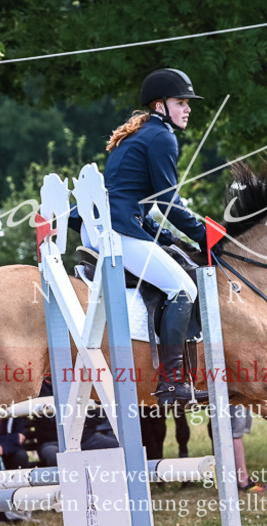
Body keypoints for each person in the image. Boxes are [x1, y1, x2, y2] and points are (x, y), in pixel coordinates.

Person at [73, 68, 210, 406]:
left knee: (172, 269)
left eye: (187, 103)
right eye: (181, 102)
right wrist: (207, 236)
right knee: (184, 288)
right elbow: (168, 202)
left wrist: (162, 238)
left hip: (105, 225)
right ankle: (172, 382)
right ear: (160, 105)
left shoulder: (140, 134)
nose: (187, 109)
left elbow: (135, 199)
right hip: (115, 230)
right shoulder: (162, 137)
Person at [26, 377, 119, 466]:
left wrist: (73, 420)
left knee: (116, 446)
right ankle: (66, 482)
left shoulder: (79, 381)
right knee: (52, 455)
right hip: (54, 441)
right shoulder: (38, 388)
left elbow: (98, 415)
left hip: (86, 438)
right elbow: (45, 421)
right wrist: (78, 418)